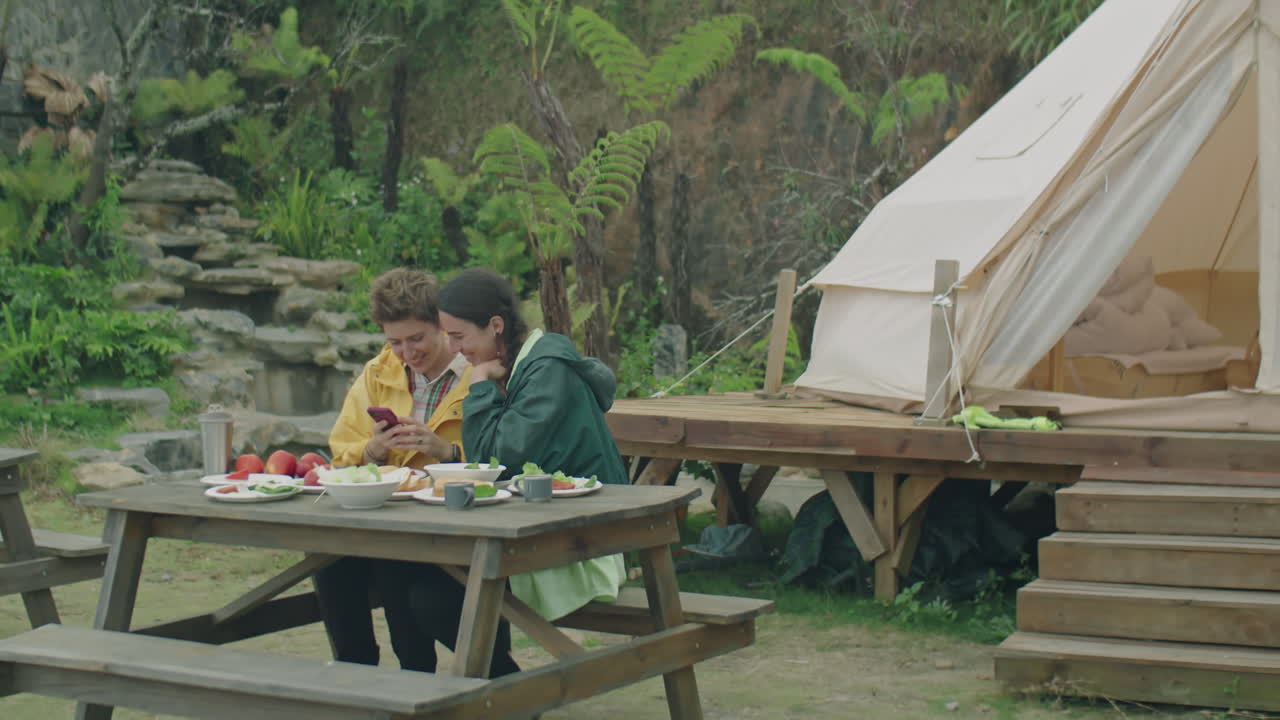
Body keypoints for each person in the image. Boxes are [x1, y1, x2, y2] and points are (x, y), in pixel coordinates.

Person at [317, 267, 505, 674]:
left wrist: (448, 452)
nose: (406, 352)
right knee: (329, 559)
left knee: (396, 565)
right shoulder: (377, 373)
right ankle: (355, 673)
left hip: (454, 529)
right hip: (393, 522)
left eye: (416, 338)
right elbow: (340, 453)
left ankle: (416, 676)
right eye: (394, 341)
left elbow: (502, 455)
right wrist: (373, 450)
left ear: (442, 325)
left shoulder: (479, 372)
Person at [434, 267, 628, 622]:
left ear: (495, 325)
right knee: (408, 580)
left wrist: (479, 385)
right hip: (548, 525)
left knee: (433, 595)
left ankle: (495, 676)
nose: (454, 350)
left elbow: (493, 461)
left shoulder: (546, 371)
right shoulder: (520, 367)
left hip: (585, 542)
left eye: (459, 336)